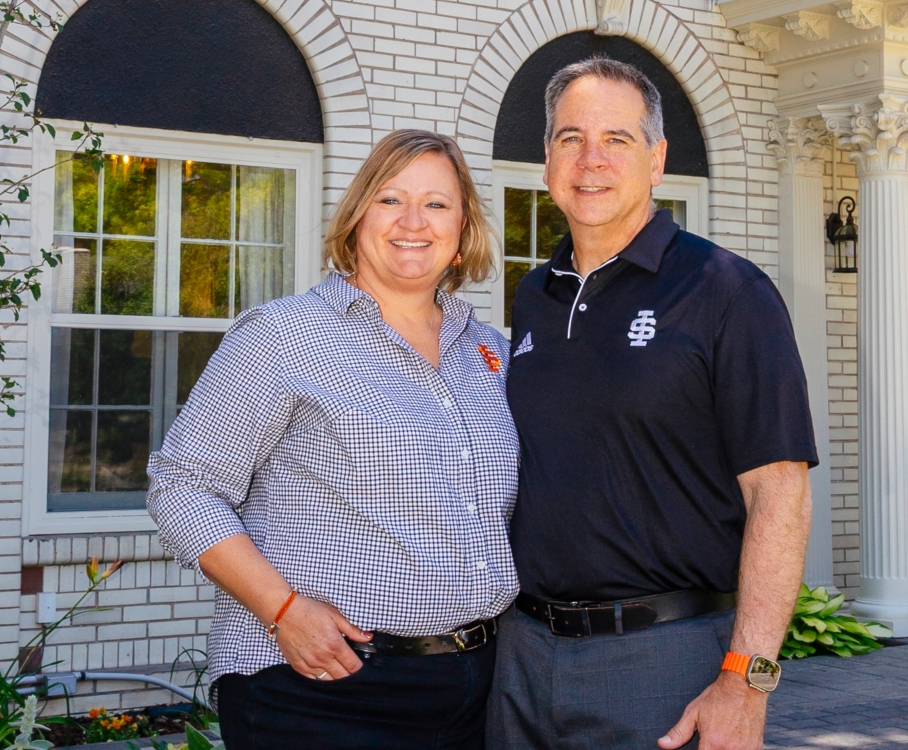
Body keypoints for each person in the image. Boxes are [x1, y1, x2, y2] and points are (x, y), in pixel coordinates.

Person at [486, 58, 818, 750]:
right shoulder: (535, 297)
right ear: (547, 160)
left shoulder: (727, 291)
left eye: (617, 139)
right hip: (523, 658)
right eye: (571, 138)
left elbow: (779, 494)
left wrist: (747, 680)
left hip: (665, 660)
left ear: (657, 159)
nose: (592, 160)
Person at [147, 129, 517, 749]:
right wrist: (284, 611)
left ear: (463, 228)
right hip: (320, 685)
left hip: (471, 688)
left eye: (436, 203)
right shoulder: (285, 334)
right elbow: (183, 487)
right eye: (390, 199)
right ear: (356, 218)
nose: (413, 222)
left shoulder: (489, 354)